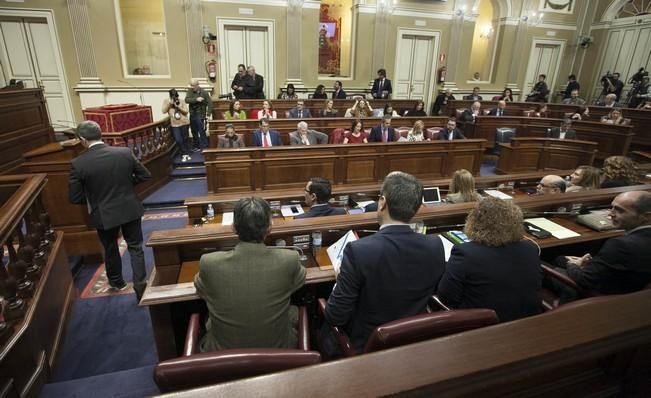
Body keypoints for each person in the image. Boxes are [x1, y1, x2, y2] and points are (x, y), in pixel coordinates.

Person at [320, 171, 446, 355]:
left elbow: (335, 316)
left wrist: (340, 279)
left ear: (382, 202)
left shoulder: (359, 251)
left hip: (370, 346)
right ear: (416, 207)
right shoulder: (435, 245)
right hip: (414, 340)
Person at [194, 197, 306, 351]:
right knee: (294, 311)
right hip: (279, 353)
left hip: (223, 358)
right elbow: (298, 280)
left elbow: (201, 288)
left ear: (233, 228)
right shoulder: (289, 259)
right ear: (270, 228)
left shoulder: (209, 262)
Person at [68, 121, 151, 302]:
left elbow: (75, 197)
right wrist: (127, 187)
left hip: (103, 213)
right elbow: (145, 175)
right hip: (129, 207)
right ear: (100, 134)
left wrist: (96, 199)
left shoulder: (78, 163)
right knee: (136, 247)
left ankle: (117, 282)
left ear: (82, 139)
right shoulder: (124, 153)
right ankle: (140, 286)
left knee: (111, 247)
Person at [437, 197, 542, 322]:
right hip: (526, 319)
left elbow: (446, 297)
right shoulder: (530, 248)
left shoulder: (465, 252)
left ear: (474, 221)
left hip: (481, 324)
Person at [550, 191, 651, 301]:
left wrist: (573, 264)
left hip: (602, 297)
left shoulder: (621, 245)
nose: (610, 214)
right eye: (612, 208)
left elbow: (584, 280)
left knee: (540, 263)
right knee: (560, 259)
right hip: (633, 290)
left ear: (646, 216)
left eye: (619, 210)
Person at [162, 88, 191, 162]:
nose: (175, 98)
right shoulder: (166, 101)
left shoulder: (181, 101)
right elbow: (163, 111)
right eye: (173, 96)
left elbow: (186, 111)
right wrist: (170, 104)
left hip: (184, 123)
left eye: (175, 96)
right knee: (178, 139)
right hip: (175, 125)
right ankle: (185, 153)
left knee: (185, 138)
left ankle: (186, 154)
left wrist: (178, 107)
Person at [186, 79, 213, 151]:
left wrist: (208, 113)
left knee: (201, 131)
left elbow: (210, 103)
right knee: (193, 131)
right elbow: (187, 100)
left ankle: (204, 147)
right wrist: (196, 99)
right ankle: (196, 146)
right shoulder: (190, 91)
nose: (192, 87)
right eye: (191, 85)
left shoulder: (204, 92)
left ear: (197, 85)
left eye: (193, 85)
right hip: (192, 114)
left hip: (200, 114)